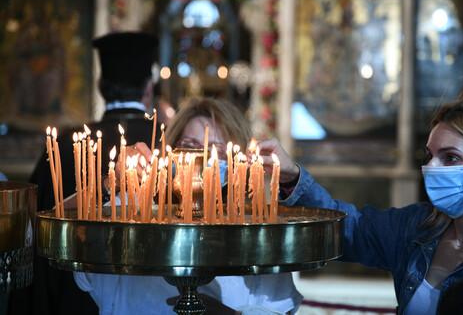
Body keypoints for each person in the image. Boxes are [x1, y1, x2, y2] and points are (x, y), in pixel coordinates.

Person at [253, 77, 463, 314]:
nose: (431, 168)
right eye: (429, 156)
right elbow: (350, 230)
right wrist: (291, 176)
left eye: (450, 157)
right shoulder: (417, 228)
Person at [73, 97, 303, 315]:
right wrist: (110, 183)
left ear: (238, 162)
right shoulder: (132, 216)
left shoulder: (256, 235)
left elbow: (279, 308)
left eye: (214, 150)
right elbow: (72, 226)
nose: (198, 158)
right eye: (189, 146)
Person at [8, 31, 159, 315]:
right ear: (148, 88)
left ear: (101, 86)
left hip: (70, 300)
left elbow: (35, 226)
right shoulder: (167, 142)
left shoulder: (65, 143)